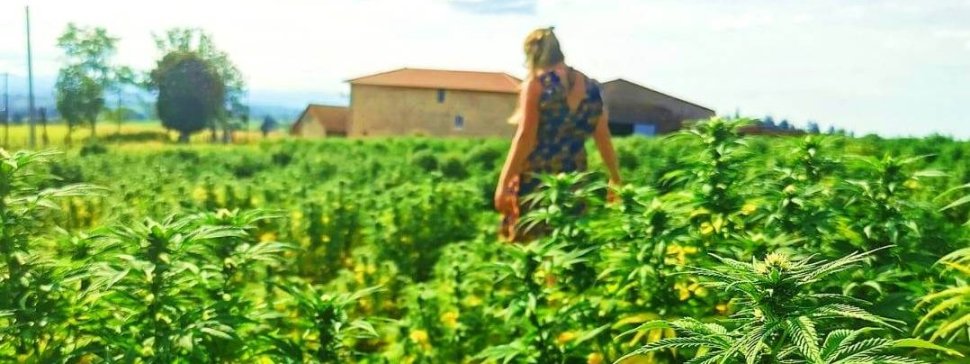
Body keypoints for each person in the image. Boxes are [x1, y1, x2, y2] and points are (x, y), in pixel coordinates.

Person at [494, 27, 622, 242]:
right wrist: (615, 178)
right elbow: (603, 137)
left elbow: (526, 137)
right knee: (567, 243)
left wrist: (504, 184)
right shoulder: (592, 87)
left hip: (537, 178)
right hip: (574, 178)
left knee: (534, 248)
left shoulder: (536, 85)